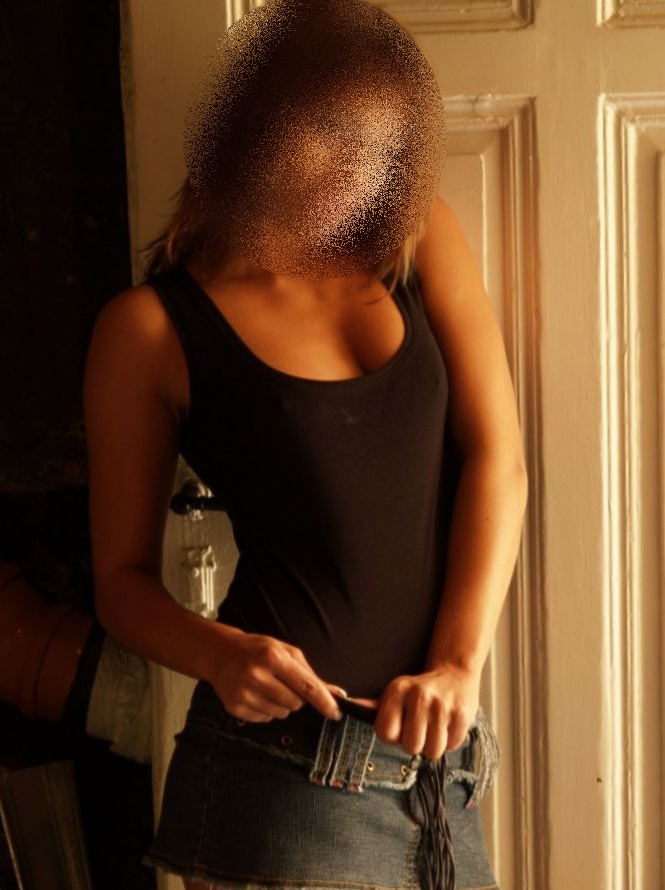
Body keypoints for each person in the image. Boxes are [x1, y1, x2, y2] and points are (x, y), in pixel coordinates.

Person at [83, 4, 527, 890]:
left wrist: (457, 663)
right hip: (279, 778)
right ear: (257, 128)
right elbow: (119, 585)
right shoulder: (152, 330)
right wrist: (218, 654)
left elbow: (498, 460)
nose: (357, 167)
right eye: (330, 132)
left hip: (441, 775)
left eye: (378, 144)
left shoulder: (416, 241)